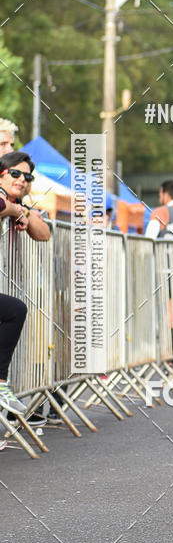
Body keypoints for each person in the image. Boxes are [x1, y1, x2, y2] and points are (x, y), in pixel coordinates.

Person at [0, 151, 50, 419]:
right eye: (15, 173)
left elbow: (44, 234)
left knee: (14, 310)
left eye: (27, 176)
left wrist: (25, 216)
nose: (21, 179)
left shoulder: (16, 202)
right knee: (14, 310)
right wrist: (16, 210)